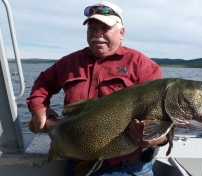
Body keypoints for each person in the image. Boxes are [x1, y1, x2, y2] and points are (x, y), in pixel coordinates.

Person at [26, 1, 168, 175]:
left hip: (129, 167)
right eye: (92, 28)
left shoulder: (144, 66)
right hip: (75, 162)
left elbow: (162, 117)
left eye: (105, 28)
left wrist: (157, 139)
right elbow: (43, 83)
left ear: (121, 32)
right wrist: (39, 107)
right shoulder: (69, 62)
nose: (97, 34)